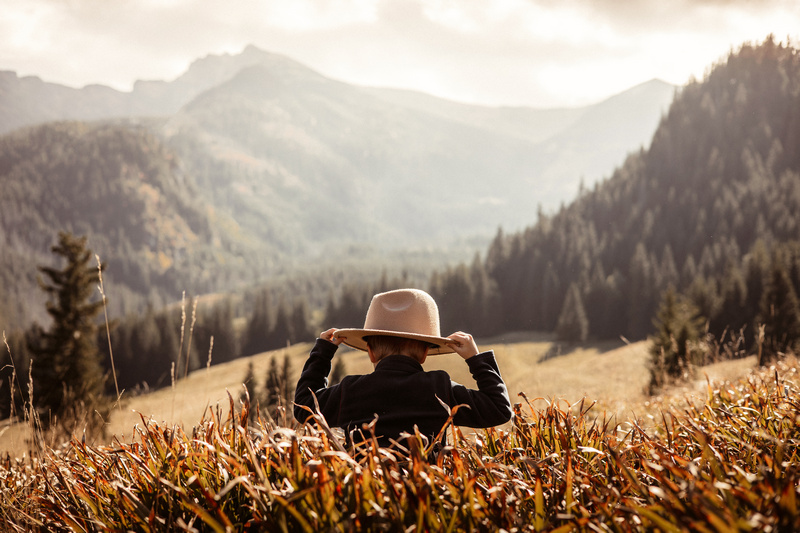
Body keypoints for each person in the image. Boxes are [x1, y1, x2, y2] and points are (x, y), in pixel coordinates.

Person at [293, 288, 512, 452]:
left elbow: (304, 409)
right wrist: (476, 360)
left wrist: (322, 354)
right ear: (425, 353)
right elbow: (498, 409)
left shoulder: (350, 391)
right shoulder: (439, 388)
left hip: (366, 500)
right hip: (426, 501)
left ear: (370, 352)